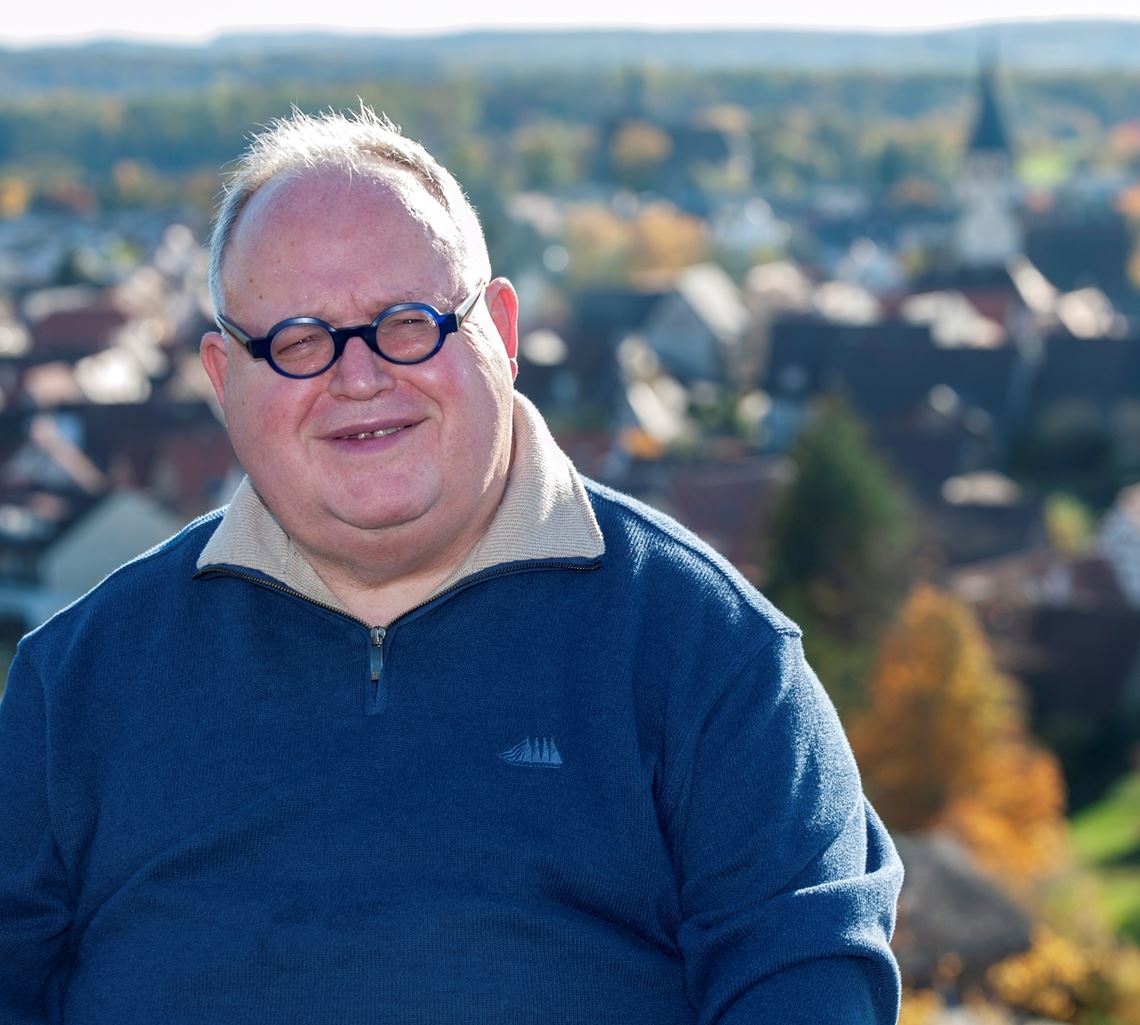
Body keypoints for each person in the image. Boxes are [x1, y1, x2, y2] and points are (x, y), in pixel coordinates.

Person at [0, 106, 903, 1024]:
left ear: (501, 331)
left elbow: (811, 989)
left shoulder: (707, 656)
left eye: (408, 322)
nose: (358, 378)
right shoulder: (76, 684)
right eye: (299, 341)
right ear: (223, 377)